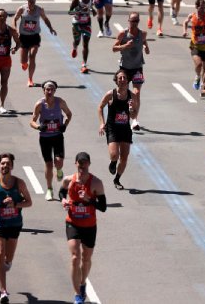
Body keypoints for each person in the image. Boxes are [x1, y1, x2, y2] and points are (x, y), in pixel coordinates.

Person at [0, 153, 33, 304]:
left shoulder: (19, 183)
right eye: (2, 163)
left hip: (14, 224)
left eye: (7, 163)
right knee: (0, 253)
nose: (5, 166)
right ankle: (3, 291)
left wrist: (15, 204)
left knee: (8, 258)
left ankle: (8, 263)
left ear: (12, 166)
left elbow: (29, 202)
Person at [59, 152, 107, 304]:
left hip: (89, 225)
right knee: (75, 258)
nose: (82, 165)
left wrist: (89, 200)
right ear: (75, 164)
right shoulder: (68, 180)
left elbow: (103, 206)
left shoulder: (96, 183)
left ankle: (83, 283)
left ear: (89, 164)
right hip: (72, 222)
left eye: (85, 163)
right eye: (80, 163)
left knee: (86, 259)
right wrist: (63, 200)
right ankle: (77, 294)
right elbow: (61, 192)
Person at [30, 81, 73, 200]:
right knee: (48, 164)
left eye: (52, 89)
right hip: (45, 138)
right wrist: (39, 127)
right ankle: (49, 189)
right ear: (43, 90)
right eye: (47, 89)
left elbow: (69, 114)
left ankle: (59, 170)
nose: (49, 92)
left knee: (58, 162)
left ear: (55, 90)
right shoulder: (39, 104)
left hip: (57, 136)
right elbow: (32, 121)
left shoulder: (60, 102)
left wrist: (65, 125)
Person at [98, 69, 138, 190]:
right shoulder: (111, 94)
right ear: (116, 81)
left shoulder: (132, 96)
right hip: (112, 128)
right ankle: (113, 162)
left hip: (125, 129)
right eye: (119, 78)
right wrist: (101, 123)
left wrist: (131, 110)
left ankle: (117, 179)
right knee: (114, 155)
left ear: (128, 80)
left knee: (124, 157)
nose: (122, 80)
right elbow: (100, 107)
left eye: (124, 78)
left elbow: (133, 116)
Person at [112, 12, 148, 130]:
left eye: (136, 21)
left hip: (137, 68)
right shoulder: (123, 34)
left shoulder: (142, 34)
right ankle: (122, 115)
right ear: (128, 21)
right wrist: (125, 46)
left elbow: (144, 42)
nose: (134, 23)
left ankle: (135, 120)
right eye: (132, 21)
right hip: (125, 68)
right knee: (123, 93)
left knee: (136, 93)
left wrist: (146, 47)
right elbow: (114, 48)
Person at [13, 0, 57, 87]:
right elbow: (15, 19)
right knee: (23, 61)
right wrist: (15, 29)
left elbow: (45, 19)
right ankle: (24, 63)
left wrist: (51, 28)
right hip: (23, 37)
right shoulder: (22, 9)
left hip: (34, 36)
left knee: (32, 56)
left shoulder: (39, 9)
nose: (31, 0)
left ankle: (30, 79)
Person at [69, 0, 96, 74]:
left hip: (87, 24)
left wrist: (93, 11)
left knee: (85, 44)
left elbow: (91, 8)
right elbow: (69, 12)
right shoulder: (76, 0)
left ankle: (84, 64)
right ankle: (75, 47)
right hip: (77, 23)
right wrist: (80, 10)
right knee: (77, 41)